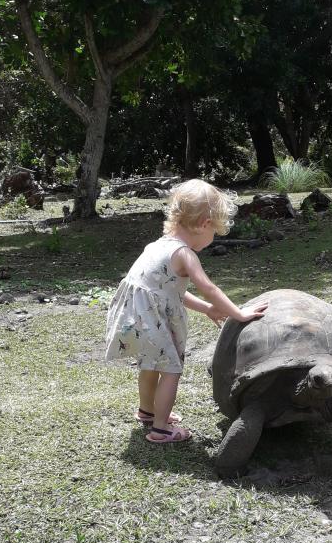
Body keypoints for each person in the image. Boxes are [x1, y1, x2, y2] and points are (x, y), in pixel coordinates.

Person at [105, 179, 268, 443]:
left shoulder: (157, 245)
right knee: (171, 370)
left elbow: (170, 292)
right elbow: (209, 288)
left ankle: (147, 411)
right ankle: (160, 429)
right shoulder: (184, 254)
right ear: (204, 224)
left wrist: (207, 310)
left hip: (135, 319)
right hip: (150, 320)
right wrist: (239, 313)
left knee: (150, 366)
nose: (213, 238)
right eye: (214, 231)